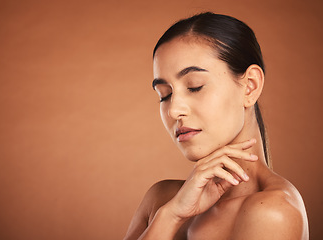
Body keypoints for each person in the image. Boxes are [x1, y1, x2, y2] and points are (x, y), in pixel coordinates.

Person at [124, 12, 309, 240]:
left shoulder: (274, 212)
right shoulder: (161, 200)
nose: (174, 110)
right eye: (165, 95)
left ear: (250, 86)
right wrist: (171, 216)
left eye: (194, 87)